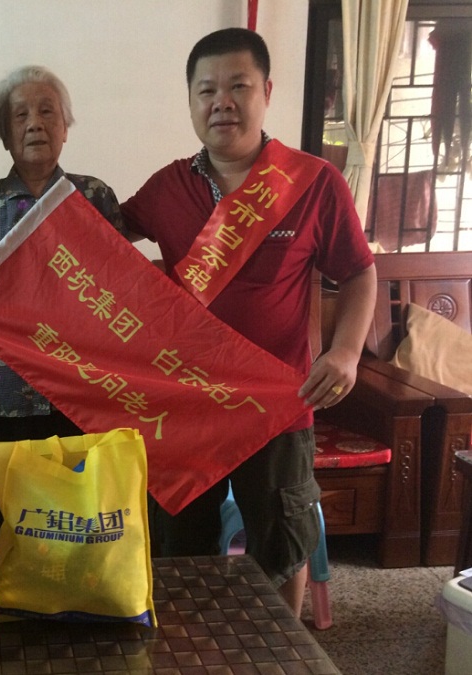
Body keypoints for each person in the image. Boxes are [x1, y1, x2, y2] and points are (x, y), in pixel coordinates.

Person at [121, 28, 377, 615]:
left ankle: (278, 650)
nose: (222, 102)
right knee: (179, 543)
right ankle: (190, 646)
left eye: (238, 86)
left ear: (266, 92)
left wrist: (345, 353)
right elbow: (97, 242)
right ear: (191, 100)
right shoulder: (167, 187)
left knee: (280, 544)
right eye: (206, 90)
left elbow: (360, 273)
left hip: (277, 402)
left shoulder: (313, 182)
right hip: (187, 403)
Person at [0, 65, 127, 443]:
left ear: (65, 128)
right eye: (20, 115)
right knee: (11, 484)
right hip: (6, 393)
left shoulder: (94, 196)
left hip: (89, 390)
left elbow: (123, 294)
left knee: (91, 483)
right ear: (4, 134)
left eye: (47, 111)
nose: (34, 124)